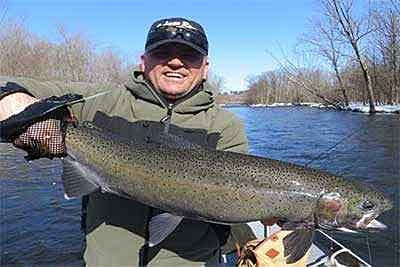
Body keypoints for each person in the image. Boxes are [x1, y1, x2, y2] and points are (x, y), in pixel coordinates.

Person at [0, 17, 275, 266]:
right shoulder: (100, 101)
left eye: (189, 55)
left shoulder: (225, 126)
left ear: (205, 68)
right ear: (143, 61)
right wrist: (15, 105)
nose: (176, 62)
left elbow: (235, 200)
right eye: (163, 53)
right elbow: (7, 84)